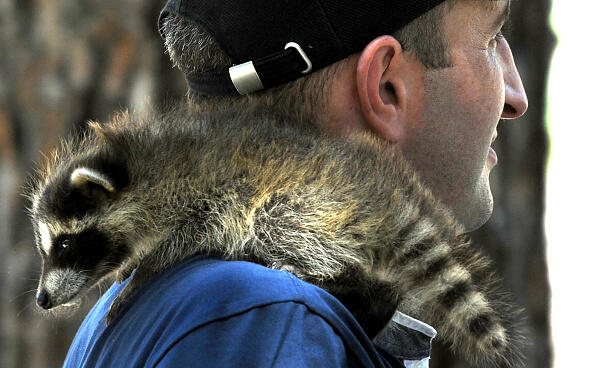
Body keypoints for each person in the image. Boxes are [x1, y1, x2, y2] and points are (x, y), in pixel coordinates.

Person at [63, 0, 528, 367]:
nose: (516, 96)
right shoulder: (264, 321)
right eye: (491, 38)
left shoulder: (181, 304)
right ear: (386, 87)